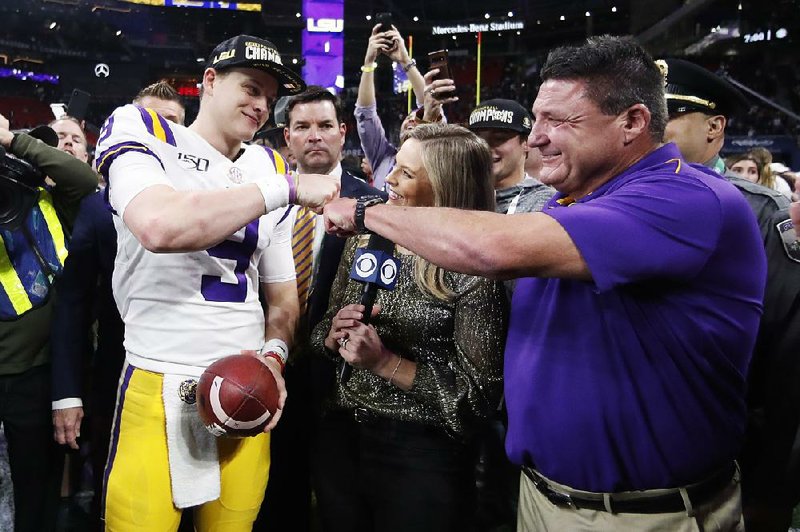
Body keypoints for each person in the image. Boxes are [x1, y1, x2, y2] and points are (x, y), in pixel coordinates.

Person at [324, 35, 766, 531]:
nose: (534, 138)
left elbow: (489, 250)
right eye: (537, 118)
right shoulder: (563, 204)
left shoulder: (686, 199)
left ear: (633, 123)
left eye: (560, 121)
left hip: (645, 514)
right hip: (542, 498)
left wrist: (366, 211)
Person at [94, 34, 338, 531]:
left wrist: (273, 358)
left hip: (246, 379)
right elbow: (161, 227)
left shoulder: (266, 162)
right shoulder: (142, 127)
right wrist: (284, 187)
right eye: (250, 88)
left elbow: (283, 299)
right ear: (209, 80)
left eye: (269, 98)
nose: (261, 105)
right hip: (157, 379)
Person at [311, 123, 508, 532]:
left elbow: (476, 402)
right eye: (394, 166)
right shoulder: (368, 237)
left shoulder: (474, 269)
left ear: (445, 186)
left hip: (422, 454)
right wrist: (332, 336)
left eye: (407, 173)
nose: (388, 180)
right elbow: (323, 331)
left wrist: (384, 362)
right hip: (343, 438)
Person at [661, 57, 800, 532]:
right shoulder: (619, 200)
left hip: (733, 449)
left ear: (714, 127)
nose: (653, 127)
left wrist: (774, 484)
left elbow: (784, 359)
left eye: (670, 115)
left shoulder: (761, 211)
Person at [50, 87, 186, 530]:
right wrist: (68, 392)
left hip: (198, 380)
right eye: (153, 122)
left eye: (174, 123)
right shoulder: (98, 205)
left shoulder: (217, 202)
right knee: (118, 500)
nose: (164, 133)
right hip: (118, 379)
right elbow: (72, 305)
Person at [256, 86, 385, 532]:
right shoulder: (261, 199)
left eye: (325, 126)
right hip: (270, 369)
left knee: (340, 503)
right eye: (303, 127)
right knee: (275, 498)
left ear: (342, 133)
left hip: (342, 383)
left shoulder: (375, 205)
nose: (315, 136)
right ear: (286, 137)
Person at [0, 112, 98, 532]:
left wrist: (10, 138)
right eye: (51, 139)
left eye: (71, 139)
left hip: (35, 371)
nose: (61, 146)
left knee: (36, 493)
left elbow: (84, 178)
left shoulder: (64, 200)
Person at [355, 24, 454, 190]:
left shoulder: (433, 154)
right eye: (408, 118)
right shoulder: (383, 156)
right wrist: (369, 62)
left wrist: (405, 60)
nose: (411, 120)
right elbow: (365, 113)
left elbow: (429, 103)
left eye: (417, 118)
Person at [467, 98, 554, 215]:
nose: (486, 147)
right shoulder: (462, 195)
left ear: (526, 143)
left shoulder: (545, 203)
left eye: (499, 139)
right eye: (478, 140)